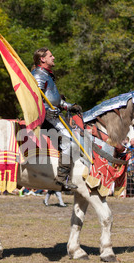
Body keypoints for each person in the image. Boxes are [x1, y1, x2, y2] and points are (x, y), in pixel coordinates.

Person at [31, 47, 82, 190]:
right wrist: (47, 111)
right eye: (50, 56)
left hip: (54, 115)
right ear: (43, 59)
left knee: (74, 141)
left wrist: (69, 106)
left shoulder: (47, 75)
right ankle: (61, 179)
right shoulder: (39, 75)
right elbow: (35, 100)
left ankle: (68, 177)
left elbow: (56, 101)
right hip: (45, 118)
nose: (53, 58)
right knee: (69, 143)